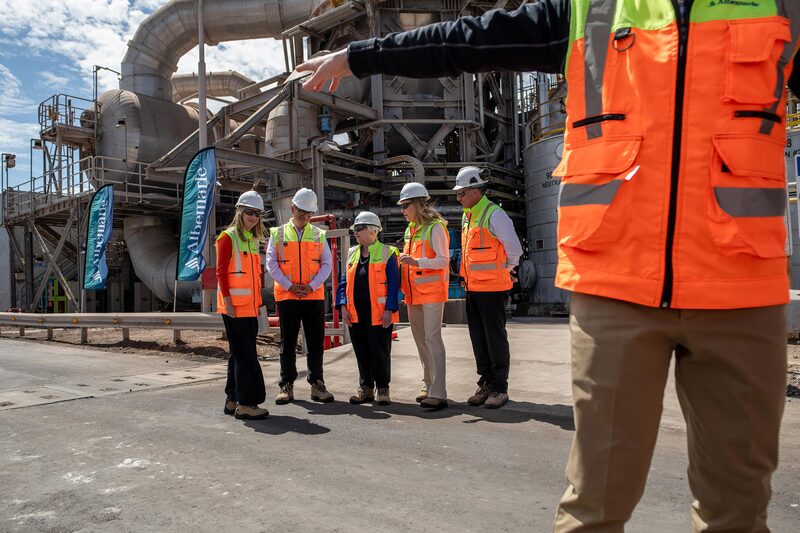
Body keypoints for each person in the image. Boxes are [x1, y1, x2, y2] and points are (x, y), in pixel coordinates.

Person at [297, 2, 800, 531]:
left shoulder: (779, 5)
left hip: (738, 287)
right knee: (594, 506)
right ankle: (490, 386)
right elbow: (467, 40)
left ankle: (492, 385)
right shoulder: (593, 8)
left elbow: (507, 250)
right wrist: (362, 55)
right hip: (616, 287)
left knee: (738, 511)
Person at [455, 166, 523, 410]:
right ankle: (486, 381)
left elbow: (514, 250)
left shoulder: (494, 214)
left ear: (475, 191)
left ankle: (499, 387)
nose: (458, 198)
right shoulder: (468, 215)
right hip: (473, 288)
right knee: (478, 338)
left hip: (493, 289)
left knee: (494, 338)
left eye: (461, 193)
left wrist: (507, 269)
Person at [265, 187, 334, 404]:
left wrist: (312, 286)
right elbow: (271, 263)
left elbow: (327, 264)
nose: (305, 216)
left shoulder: (318, 234)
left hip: (313, 296)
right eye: (301, 211)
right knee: (288, 343)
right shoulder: (277, 233)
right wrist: (289, 286)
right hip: (287, 296)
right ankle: (287, 385)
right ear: (292, 208)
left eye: (309, 213)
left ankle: (317, 384)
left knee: (315, 343)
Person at [335, 211, 400, 405]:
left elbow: (394, 284)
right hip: (356, 312)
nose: (356, 232)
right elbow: (343, 281)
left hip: (379, 313)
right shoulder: (353, 252)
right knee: (361, 350)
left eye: (359, 228)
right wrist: (342, 305)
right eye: (355, 229)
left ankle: (382, 388)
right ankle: (365, 387)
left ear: (373, 231)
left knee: (380, 351)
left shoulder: (388, 253)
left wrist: (390, 309)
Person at [396, 182, 450, 410]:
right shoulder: (410, 230)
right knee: (420, 342)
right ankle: (428, 384)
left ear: (417, 205)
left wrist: (416, 261)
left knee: (432, 340)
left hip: (431, 293)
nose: (402, 210)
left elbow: (443, 260)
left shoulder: (435, 227)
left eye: (405, 205)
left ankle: (439, 392)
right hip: (413, 293)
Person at [217, 190, 269, 420]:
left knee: (238, 354)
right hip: (235, 308)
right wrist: (228, 302)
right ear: (239, 211)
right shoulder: (228, 237)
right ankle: (247, 404)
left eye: (257, 214)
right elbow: (221, 272)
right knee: (247, 355)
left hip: (249, 307)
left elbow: (253, 278)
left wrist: (258, 304)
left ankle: (232, 400)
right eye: (249, 212)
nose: (254, 217)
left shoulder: (250, 239)